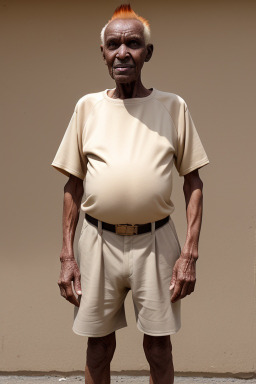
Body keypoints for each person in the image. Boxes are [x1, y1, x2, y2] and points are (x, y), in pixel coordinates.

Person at [51, 4, 209, 384]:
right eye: (113, 44)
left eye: (133, 44)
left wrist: (189, 253)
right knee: (98, 346)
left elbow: (194, 182)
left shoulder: (173, 106)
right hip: (96, 241)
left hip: (156, 241)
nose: (123, 52)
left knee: (159, 348)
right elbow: (73, 185)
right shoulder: (87, 107)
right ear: (103, 54)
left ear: (147, 53)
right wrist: (67, 255)